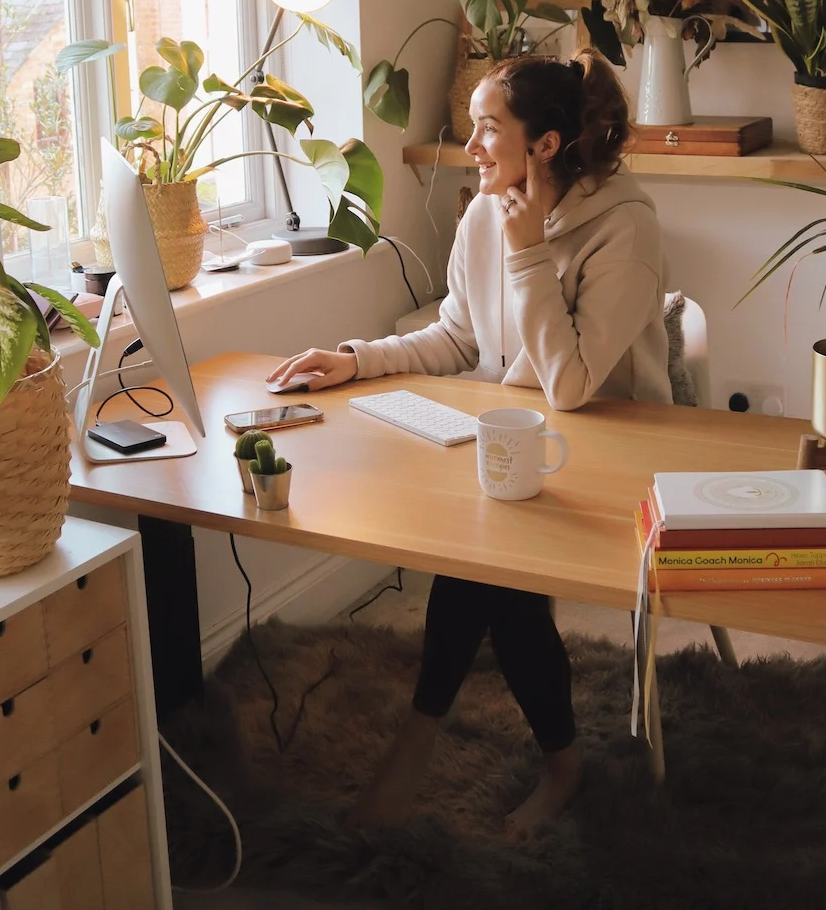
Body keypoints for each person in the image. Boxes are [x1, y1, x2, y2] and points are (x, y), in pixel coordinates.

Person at [268, 50, 672, 836]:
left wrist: (527, 252)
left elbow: (575, 383)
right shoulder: (486, 209)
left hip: (609, 458)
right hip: (519, 442)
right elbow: (457, 334)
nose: (472, 144)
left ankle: (453, 745)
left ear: (546, 144)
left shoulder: (626, 227)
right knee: (487, 555)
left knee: (488, 566)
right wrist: (355, 359)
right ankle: (534, 755)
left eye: (489, 128)